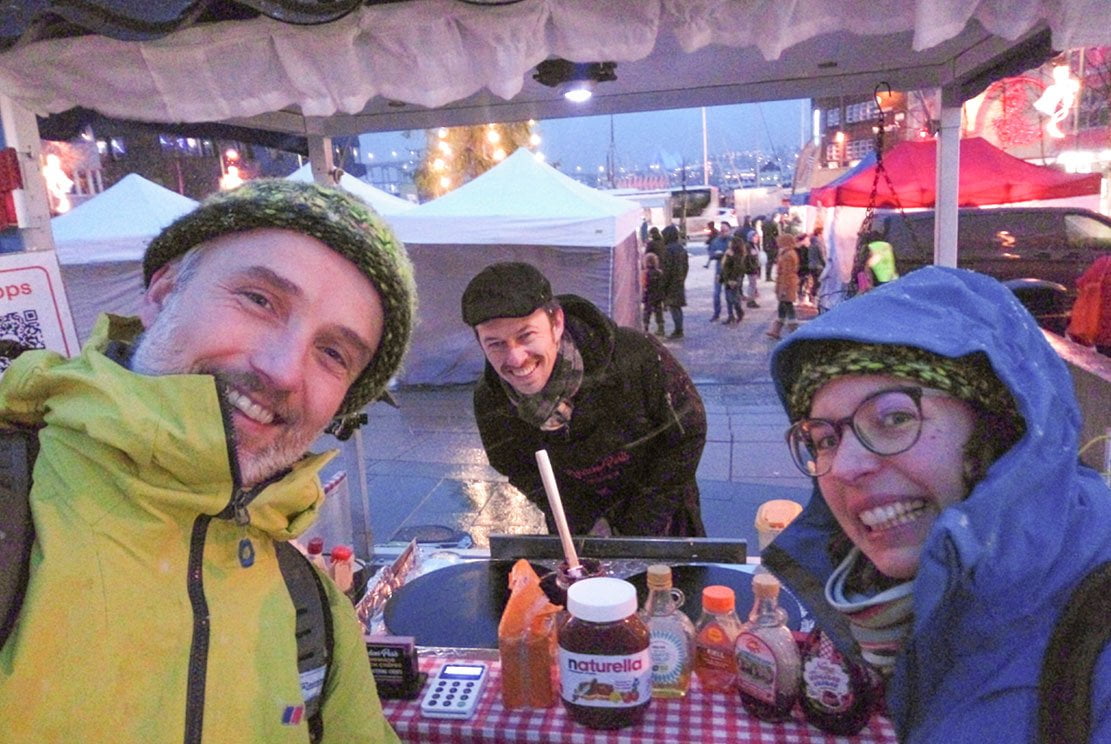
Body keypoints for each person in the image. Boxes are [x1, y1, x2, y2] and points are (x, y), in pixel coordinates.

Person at [0, 179, 414, 743]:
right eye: (260, 300)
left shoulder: (311, 611)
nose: (284, 369)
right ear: (164, 291)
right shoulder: (12, 521)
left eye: (333, 352)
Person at [762, 266, 1111, 743]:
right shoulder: (927, 612)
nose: (844, 467)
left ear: (998, 429)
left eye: (894, 418)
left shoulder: (1095, 629)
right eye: (824, 440)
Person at [462, 261, 706, 538]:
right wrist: (580, 519)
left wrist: (638, 526)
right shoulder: (491, 401)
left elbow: (687, 432)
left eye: (526, 335)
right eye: (496, 344)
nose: (516, 358)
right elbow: (518, 467)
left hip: (663, 512)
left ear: (556, 322)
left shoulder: (636, 357)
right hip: (575, 528)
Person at [766, 233, 800, 339]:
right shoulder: (787, 253)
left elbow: (787, 273)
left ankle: (794, 332)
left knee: (787, 306)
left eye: (780, 241)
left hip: (786, 284)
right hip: (786, 283)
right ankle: (776, 330)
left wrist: (783, 289)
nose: (778, 243)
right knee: (782, 306)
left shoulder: (788, 255)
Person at [661, 224, 689, 339]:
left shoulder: (668, 250)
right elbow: (686, 266)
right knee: (677, 307)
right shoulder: (681, 248)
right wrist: (682, 277)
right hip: (679, 280)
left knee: (674, 306)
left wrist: (663, 283)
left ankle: (678, 330)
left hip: (671, 282)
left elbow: (667, 269)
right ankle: (679, 328)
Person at [705, 221, 731, 321]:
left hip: (730, 271)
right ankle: (716, 313)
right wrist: (715, 255)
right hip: (719, 271)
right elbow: (710, 253)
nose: (723, 232)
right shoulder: (716, 241)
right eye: (722, 231)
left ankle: (731, 314)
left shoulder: (733, 241)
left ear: (729, 230)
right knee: (716, 293)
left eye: (725, 231)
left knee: (729, 295)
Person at [718, 234, 745, 325]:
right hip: (727, 278)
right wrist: (721, 276)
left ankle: (739, 312)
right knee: (728, 298)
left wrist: (733, 279)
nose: (729, 243)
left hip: (734, 278)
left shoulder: (738, 255)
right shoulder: (728, 252)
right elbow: (724, 266)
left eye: (731, 242)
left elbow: (738, 267)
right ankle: (730, 316)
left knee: (734, 298)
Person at [641, 251, 666, 336]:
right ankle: (661, 328)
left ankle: (646, 328)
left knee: (647, 312)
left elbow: (644, 285)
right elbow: (662, 284)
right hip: (658, 295)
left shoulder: (645, 273)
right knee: (659, 312)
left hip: (649, 295)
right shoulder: (660, 272)